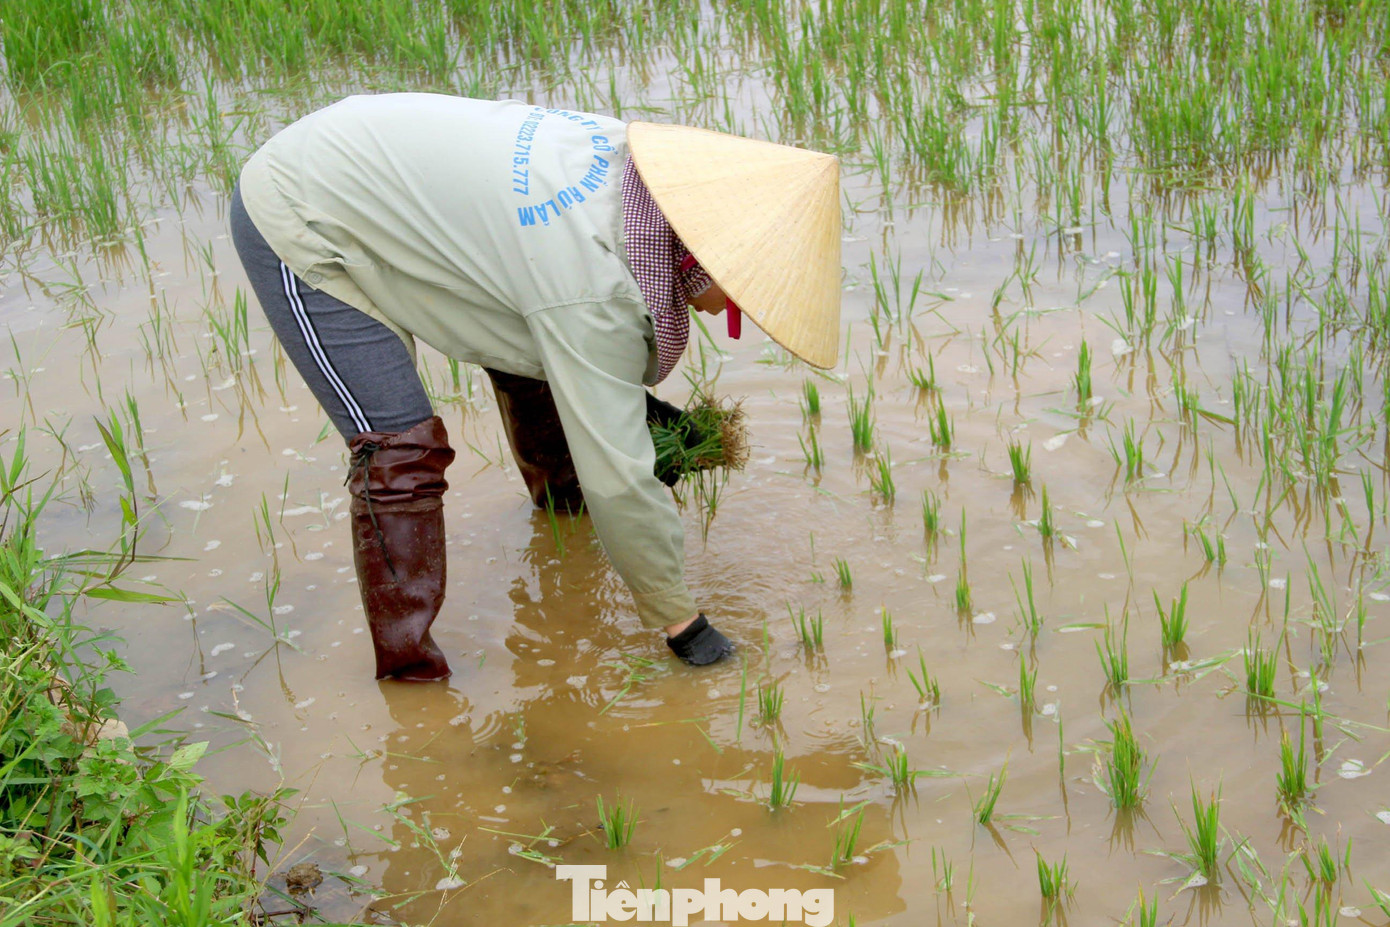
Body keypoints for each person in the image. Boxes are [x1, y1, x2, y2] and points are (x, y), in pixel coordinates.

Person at [228, 93, 841, 681]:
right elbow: (620, 478)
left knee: (542, 356)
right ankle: (412, 685)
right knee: (399, 446)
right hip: (299, 206)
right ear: (701, 255)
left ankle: (561, 517)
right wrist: (683, 624)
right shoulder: (593, 285)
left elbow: (555, 331)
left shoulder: (633, 180)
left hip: (369, 151)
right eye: (741, 299)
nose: (728, 314)